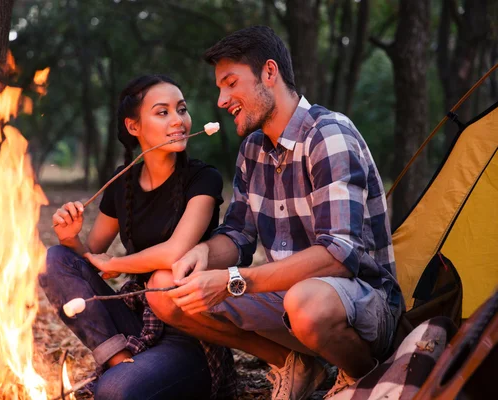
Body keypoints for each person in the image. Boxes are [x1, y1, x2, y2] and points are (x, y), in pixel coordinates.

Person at [146, 26, 404, 400]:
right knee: (163, 288)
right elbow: (237, 235)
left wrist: (233, 280)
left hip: (363, 303)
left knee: (306, 304)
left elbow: (338, 257)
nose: (221, 99)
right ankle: (293, 363)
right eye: (220, 87)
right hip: (287, 298)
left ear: (270, 73)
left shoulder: (328, 134)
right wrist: (203, 254)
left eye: (230, 83)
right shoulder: (252, 149)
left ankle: (364, 377)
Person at [39, 74, 236, 400]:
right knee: (55, 259)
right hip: (135, 319)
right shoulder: (122, 186)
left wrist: (117, 262)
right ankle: (118, 358)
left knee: (115, 392)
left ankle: (126, 374)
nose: (179, 120)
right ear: (134, 127)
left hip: (187, 330)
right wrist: (71, 238)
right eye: (163, 112)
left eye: (182, 110)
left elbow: (175, 252)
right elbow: (89, 261)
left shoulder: (203, 179)